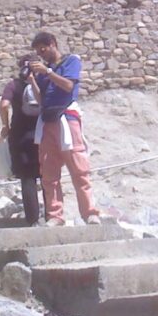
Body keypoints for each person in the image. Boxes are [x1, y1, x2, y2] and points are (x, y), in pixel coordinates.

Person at [27, 32, 101, 227]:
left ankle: (90, 213)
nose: (41, 54)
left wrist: (48, 73)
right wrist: (33, 81)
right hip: (48, 120)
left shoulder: (71, 61)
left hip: (66, 119)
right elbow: (42, 99)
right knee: (49, 174)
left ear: (52, 44)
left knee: (79, 169)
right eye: (37, 51)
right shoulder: (45, 70)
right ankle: (55, 215)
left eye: (42, 49)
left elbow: (68, 86)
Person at [0, 54, 42, 226]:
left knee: (27, 178)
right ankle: (53, 216)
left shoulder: (13, 85)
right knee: (47, 176)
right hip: (41, 134)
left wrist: (5, 125)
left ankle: (33, 220)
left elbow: (3, 105)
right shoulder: (41, 84)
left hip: (19, 136)